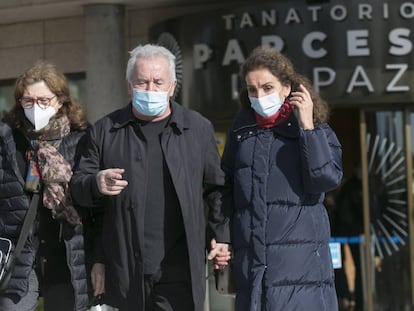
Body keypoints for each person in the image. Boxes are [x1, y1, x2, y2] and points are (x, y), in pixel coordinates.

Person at [69, 44, 231, 311]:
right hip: (124, 270)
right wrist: (95, 183)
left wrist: (221, 235)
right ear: (129, 86)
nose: (150, 89)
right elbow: (79, 187)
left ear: (172, 86)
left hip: (178, 270)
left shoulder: (197, 128)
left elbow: (217, 189)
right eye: (142, 82)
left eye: (158, 82)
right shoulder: (105, 131)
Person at [221, 46, 343, 311]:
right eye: (252, 90)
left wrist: (308, 127)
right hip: (252, 270)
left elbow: (325, 179)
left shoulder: (314, 127)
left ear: (287, 87)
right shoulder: (242, 130)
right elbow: (227, 186)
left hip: (301, 271)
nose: (259, 96)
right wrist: (222, 237)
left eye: (267, 87)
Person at [0, 60, 90, 311]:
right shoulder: (8, 138)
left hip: (66, 256)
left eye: (43, 101)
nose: (35, 107)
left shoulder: (81, 139)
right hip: (20, 258)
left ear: (60, 101)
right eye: (28, 101)